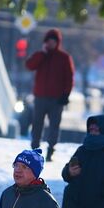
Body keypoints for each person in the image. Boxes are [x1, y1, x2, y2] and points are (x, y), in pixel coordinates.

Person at [25, 29, 75, 162]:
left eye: (53, 41)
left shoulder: (64, 58)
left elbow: (69, 78)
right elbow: (29, 65)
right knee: (37, 123)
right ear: (45, 42)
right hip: (40, 96)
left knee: (54, 125)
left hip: (56, 99)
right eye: (49, 41)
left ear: (57, 42)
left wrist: (66, 94)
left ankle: (50, 150)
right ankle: (35, 148)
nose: (51, 43)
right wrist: (42, 54)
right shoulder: (41, 55)